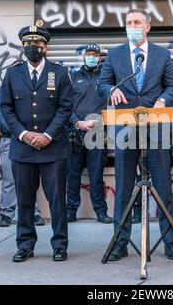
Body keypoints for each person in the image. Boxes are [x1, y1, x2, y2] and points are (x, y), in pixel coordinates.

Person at [98, 8, 173, 261]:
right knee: (123, 190)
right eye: (128, 22)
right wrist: (110, 90)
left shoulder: (162, 54)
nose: (132, 26)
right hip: (125, 129)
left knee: (163, 189)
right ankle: (120, 243)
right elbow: (102, 84)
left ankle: (170, 243)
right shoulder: (114, 55)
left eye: (136, 22)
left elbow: (172, 87)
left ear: (147, 27)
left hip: (157, 129)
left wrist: (163, 99)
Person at [0, 25, 73, 262]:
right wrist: (23, 134)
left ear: (45, 47)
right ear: (23, 47)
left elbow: (65, 108)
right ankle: (25, 244)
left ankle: (60, 245)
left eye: (36, 44)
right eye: (27, 44)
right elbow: (5, 107)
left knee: (57, 201)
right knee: (25, 200)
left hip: (53, 149)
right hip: (22, 149)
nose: (32, 48)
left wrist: (48, 135)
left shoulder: (60, 73)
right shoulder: (13, 74)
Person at [66, 43, 112, 224]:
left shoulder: (106, 79)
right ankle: (70, 211)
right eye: (89, 53)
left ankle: (101, 211)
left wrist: (96, 120)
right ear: (83, 56)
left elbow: (111, 105)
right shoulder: (72, 77)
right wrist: (77, 122)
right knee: (72, 175)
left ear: (100, 57)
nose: (92, 56)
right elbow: (65, 105)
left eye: (95, 54)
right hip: (75, 134)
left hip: (97, 133)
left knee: (96, 175)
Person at [0, 90, 45, 227]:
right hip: (10, 139)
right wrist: (21, 133)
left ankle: (34, 213)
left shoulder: (31, 91)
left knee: (30, 179)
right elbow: (0, 115)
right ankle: (6, 214)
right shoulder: (2, 93)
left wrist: (29, 135)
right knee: (9, 179)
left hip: (29, 140)